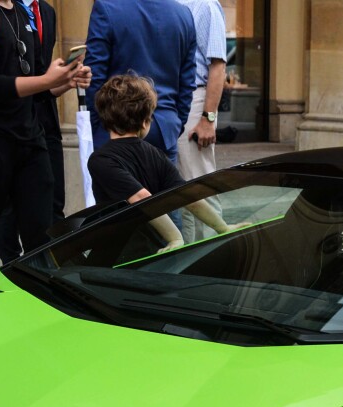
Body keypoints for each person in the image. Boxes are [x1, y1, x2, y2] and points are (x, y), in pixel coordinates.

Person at [0, 0, 85, 259]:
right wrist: (47, 80)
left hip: (30, 139)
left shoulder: (24, 12)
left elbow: (35, 87)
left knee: (42, 236)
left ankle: (33, 294)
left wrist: (66, 81)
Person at [88, 74, 238, 250]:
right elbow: (187, 195)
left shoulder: (100, 159)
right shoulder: (155, 153)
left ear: (105, 118)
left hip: (119, 251)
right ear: (145, 122)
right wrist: (223, 227)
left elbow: (141, 198)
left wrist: (175, 238)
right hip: (155, 248)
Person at [0, 0, 72, 261]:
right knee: (9, 207)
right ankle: (11, 262)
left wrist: (66, 80)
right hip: (13, 118)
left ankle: (49, 261)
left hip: (44, 115)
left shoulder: (47, 12)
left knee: (52, 196)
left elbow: (42, 69)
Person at [84, 0, 194, 162]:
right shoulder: (183, 14)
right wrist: (175, 124)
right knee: (164, 188)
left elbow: (93, 77)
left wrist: (98, 125)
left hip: (115, 127)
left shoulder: (107, 8)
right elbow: (187, 83)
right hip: (163, 127)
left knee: (118, 187)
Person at [174, 0, 225, 243]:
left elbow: (218, 66)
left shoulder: (204, 5)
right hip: (171, 102)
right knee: (178, 192)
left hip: (196, 101)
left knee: (200, 186)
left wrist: (208, 118)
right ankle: (188, 257)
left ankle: (214, 255)